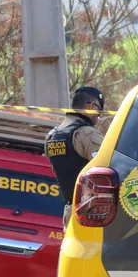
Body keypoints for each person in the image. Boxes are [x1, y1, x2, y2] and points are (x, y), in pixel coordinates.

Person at [44, 87, 105, 227]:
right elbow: (109, 165)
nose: (98, 118)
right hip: (90, 212)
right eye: (99, 113)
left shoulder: (52, 136)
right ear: (92, 107)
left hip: (69, 211)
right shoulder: (86, 134)